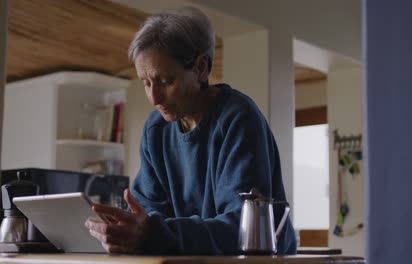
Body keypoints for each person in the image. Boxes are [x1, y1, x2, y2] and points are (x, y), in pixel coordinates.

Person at [85, 6, 296, 255]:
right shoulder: (156, 129)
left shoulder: (237, 118)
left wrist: (153, 232)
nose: (154, 97)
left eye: (165, 81)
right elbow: (150, 215)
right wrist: (131, 229)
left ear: (200, 68)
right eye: (146, 82)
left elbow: (242, 229)